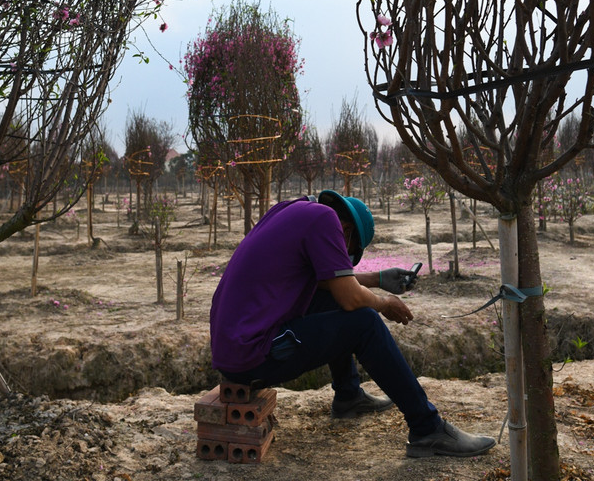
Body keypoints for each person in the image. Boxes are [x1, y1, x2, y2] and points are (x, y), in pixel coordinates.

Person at [209, 190, 496, 458]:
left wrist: (378, 279)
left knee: (337, 303)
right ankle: (427, 428)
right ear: (345, 233)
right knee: (365, 321)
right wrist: (384, 303)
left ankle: (348, 397)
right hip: (252, 355)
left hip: (236, 347)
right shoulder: (325, 221)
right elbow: (348, 296)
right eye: (347, 253)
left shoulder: (293, 210)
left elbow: (324, 281)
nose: (345, 258)